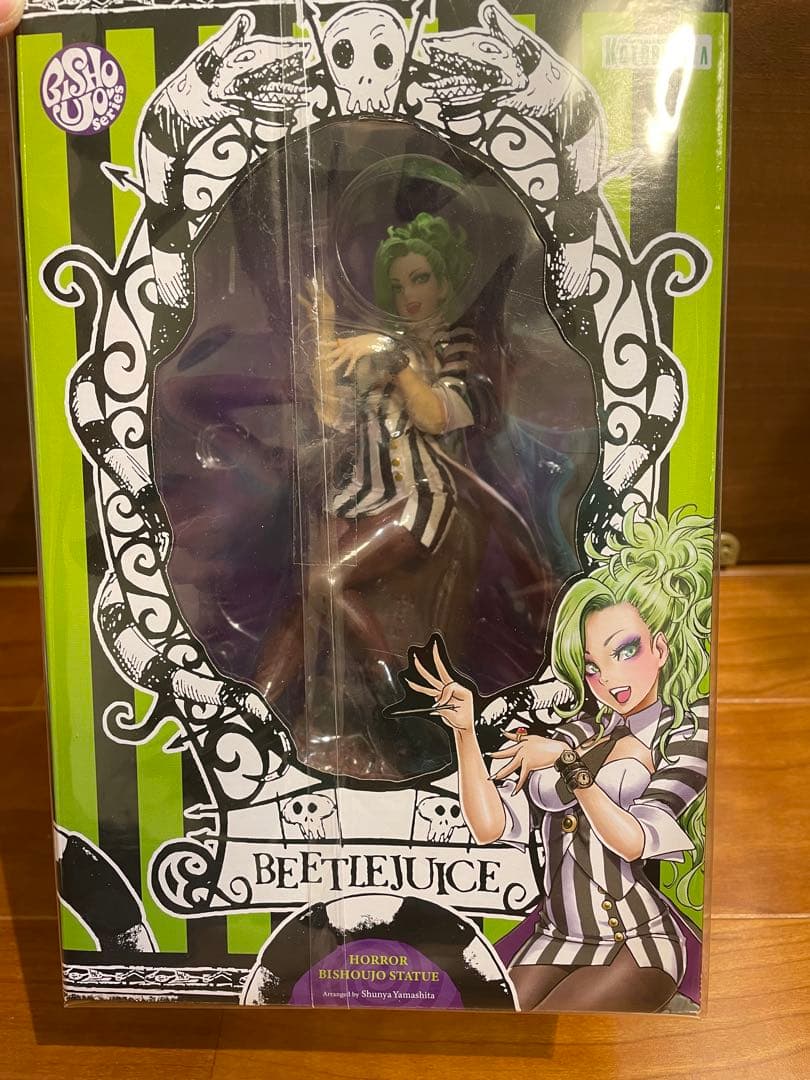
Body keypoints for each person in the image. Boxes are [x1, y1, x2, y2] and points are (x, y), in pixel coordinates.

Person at [405, 507, 711, 1011]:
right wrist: (464, 731)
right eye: (592, 666)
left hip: (633, 943)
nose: (608, 678)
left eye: (625, 651)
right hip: (555, 939)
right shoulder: (582, 728)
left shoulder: (683, 733)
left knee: (547, 1036)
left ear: (660, 648)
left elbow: (634, 841)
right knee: (486, 1029)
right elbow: (489, 826)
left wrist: (568, 764)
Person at [254, 213, 491, 770]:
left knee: (325, 580)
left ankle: (397, 701)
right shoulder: (370, 345)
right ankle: (252, 716)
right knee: (306, 603)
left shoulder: (454, 344)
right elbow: (331, 414)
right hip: (356, 498)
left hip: (419, 497)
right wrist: (323, 329)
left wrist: (391, 352)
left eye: (421, 278)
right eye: (399, 283)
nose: (409, 293)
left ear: (445, 281)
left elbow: (437, 416)